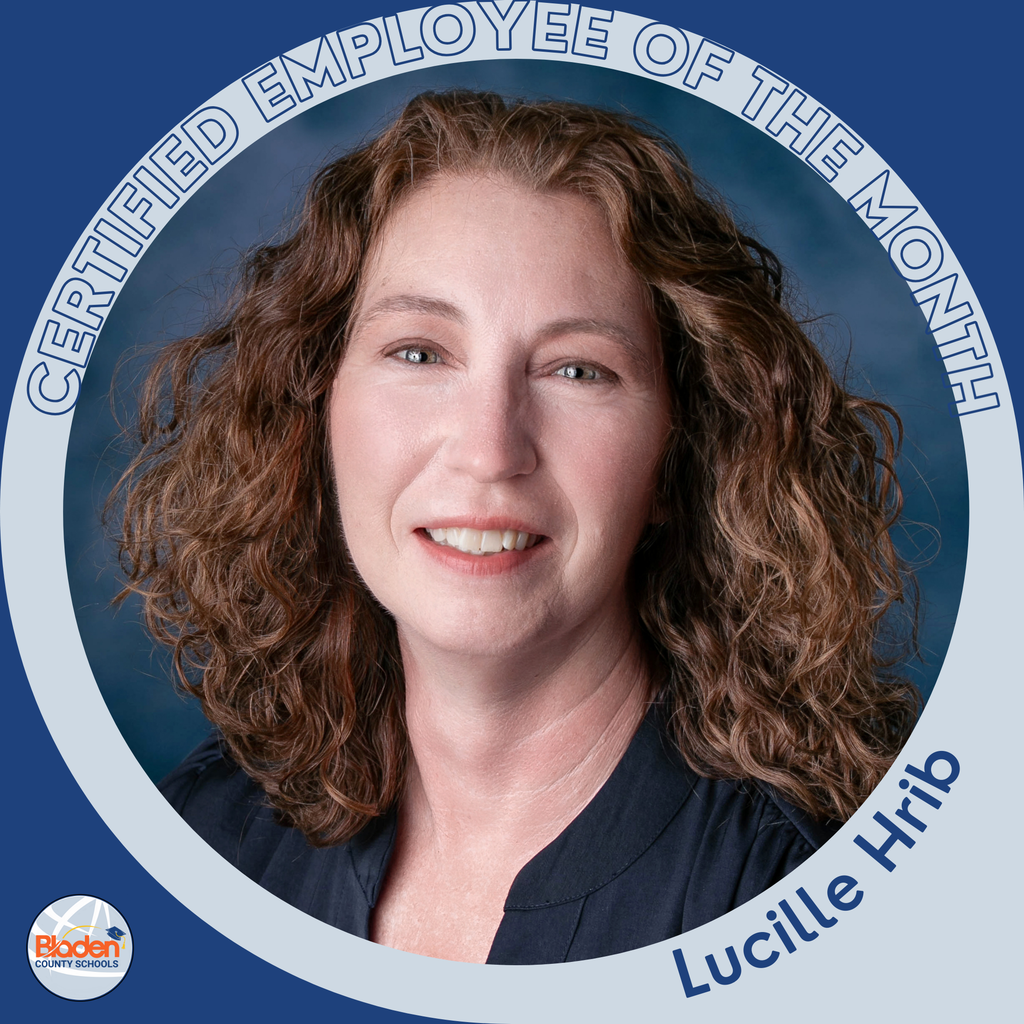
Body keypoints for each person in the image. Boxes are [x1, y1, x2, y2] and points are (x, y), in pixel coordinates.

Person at [114, 90, 920, 964]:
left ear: (680, 454)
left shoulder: (814, 893)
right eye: (418, 353)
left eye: (579, 370)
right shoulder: (207, 835)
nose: (491, 451)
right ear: (315, 407)